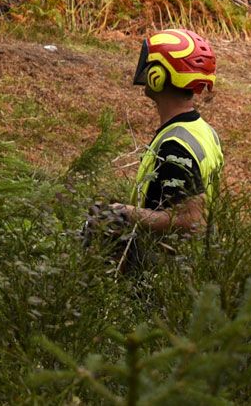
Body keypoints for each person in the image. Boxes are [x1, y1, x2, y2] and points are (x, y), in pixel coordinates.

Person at [85, 27, 225, 264]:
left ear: (158, 76)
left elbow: (192, 220)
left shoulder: (175, 146)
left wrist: (124, 213)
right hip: (194, 264)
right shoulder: (202, 131)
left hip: (166, 273)